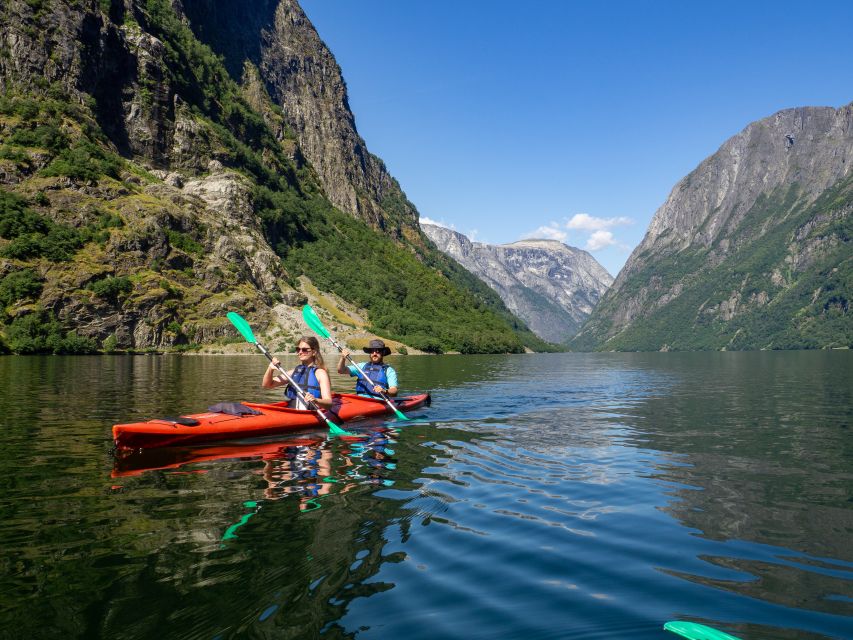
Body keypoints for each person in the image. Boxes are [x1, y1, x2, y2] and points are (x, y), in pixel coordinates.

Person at [262, 336, 333, 410]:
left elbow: (329, 403)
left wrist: (315, 400)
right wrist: (270, 369)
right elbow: (267, 385)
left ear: (314, 352)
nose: (300, 352)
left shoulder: (320, 373)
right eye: (298, 349)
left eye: (304, 350)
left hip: (311, 411)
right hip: (293, 410)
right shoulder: (294, 372)